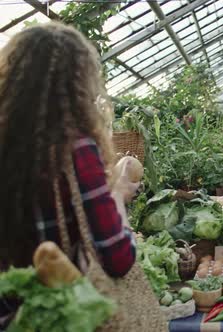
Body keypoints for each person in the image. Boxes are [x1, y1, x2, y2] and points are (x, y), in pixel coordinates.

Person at [0, 23, 138, 276]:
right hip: (52, 309)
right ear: (78, 84)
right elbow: (117, 258)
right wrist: (118, 195)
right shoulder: (75, 149)